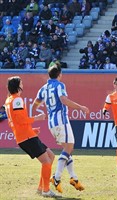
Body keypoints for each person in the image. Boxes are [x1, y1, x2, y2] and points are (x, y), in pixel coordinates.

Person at [32, 64, 89, 194]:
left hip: (51, 123)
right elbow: (63, 100)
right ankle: (56, 177)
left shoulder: (43, 88)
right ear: (60, 74)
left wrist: (38, 114)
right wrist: (80, 107)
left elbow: (35, 104)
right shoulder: (59, 85)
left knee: (67, 150)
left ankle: (74, 177)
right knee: (69, 147)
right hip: (61, 121)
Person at [5, 76, 59, 197]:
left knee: (50, 156)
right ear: (17, 86)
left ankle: (41, 188)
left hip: (26, 135)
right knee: (46, 161)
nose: (23, 84)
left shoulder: (9, 100)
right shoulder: (16, 100)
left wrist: (30, 129)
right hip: (26, 137)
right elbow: (20, 119)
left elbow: (14, 122)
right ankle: (45, 190)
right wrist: (37, 118)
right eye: (21, 82)